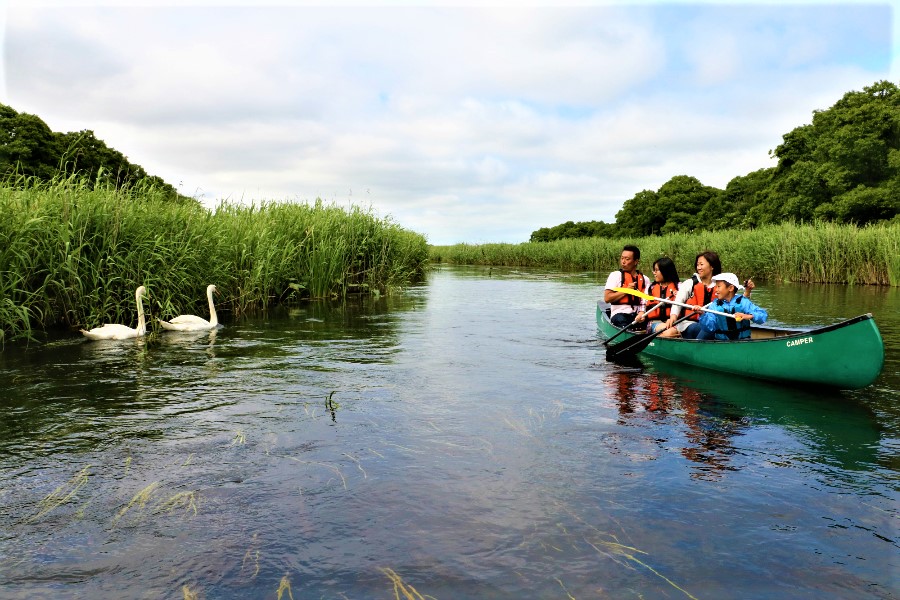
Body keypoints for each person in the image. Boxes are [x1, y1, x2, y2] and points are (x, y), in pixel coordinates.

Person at [663, 251, 755, 339]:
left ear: (712, 266)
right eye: (697, 265)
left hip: (715, 323)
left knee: (723, 326)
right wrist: (673, 317)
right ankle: (697, 350)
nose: (698, 267)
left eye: (701, 264)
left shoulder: (721, 285)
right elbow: (678, 302)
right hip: (689, 324)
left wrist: (747, 291)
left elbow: (737, 302)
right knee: (709, 328)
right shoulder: (690, 283)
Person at [697, 273, 767, 340]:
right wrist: (702, 314)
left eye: (719, 286)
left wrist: (748, 316)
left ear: (730, 288)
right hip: (721, 343)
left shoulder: (743, 302)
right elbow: (710, 327)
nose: (716, 290)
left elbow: (763, 316)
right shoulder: (714, 305)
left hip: (743, 342)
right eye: (716, 286)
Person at [604, 245, 651, 328]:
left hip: (638, 315)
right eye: (622, 258)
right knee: (621, 321)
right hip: (619, 314)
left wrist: (641, 313)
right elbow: (607, 298)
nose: (623, 262)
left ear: (636, 261)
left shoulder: (645, 279)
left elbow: (646, 301)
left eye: (627, 259)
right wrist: (626, 290)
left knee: (651, 322)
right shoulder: (615, 275)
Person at [633, 257, 679, 335]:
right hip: (654, 322)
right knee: (670, 332)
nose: (654, 273)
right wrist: (641, 314)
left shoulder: (679, 287)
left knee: (673, 331)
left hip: (676, 322)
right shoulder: (650, 288)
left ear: (665, 271)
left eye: (656, 270)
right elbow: (643, 305)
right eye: (654, 270)